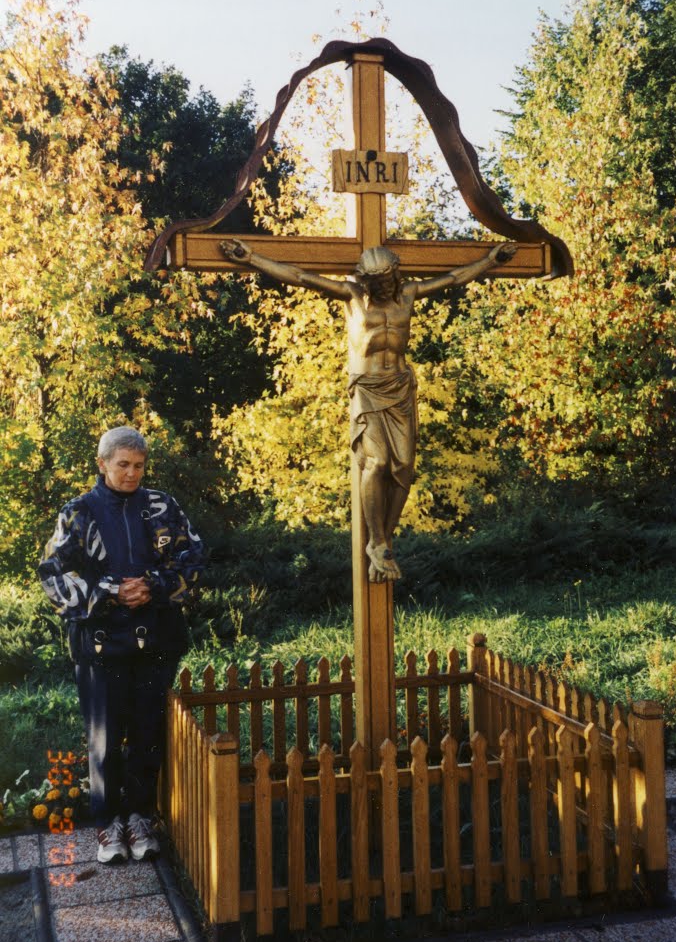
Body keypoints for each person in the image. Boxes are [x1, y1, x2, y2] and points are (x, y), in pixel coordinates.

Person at [221, 237, 518, 581]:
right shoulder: (351, 297)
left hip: (401, 387)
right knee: (376, 462)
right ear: (366, 282)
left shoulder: (407, 294)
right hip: (368, 388)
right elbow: (299, 275)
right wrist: (253, 258)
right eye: (376, 284)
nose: (383, 287)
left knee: (404, 467)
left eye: (388, 281)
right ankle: (377, 541)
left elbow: (453, 278)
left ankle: (385, 540)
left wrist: (491, 261)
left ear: (396, 276)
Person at [38, 427, 205, 864]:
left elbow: (192, 556)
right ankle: (109, 823)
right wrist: (108, 591)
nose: (131, 473)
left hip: (156, 639)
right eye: (122, 465)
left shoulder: (162, 506)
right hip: (100, 646)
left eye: (139, 466)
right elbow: (53, 573)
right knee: (106, 738)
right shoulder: (77, 513)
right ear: (102, 464)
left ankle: (140, 817)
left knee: (148, 733)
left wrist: (153, 585)